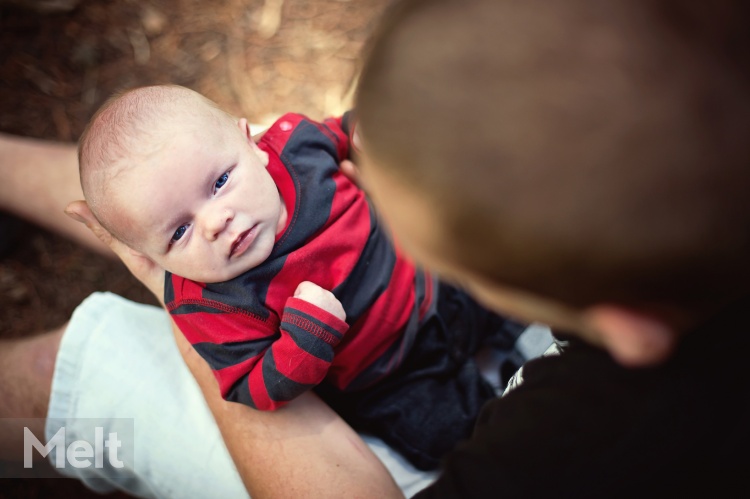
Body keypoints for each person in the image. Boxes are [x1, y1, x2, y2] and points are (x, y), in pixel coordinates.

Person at [4, 0, 748, 496]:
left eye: (438, 233)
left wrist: (179, 303)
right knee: (159, 167)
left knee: (78, 361)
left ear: (623, 325)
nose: (215, 221)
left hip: (394, 408)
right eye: (177, 233)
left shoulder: (585, 446)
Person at [77, 83, 526, 470]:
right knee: (465, 436)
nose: (215, 222)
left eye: (219, 183)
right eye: (179, 231)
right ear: (149, 256)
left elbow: (345, 132)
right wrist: (304, 343)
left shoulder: (296, 147)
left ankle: (521, 348)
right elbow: (249, 386)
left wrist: (366, 137)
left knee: (513, 284)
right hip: (389, 378)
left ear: (250, 141)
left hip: (433, 279)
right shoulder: (207, 303)